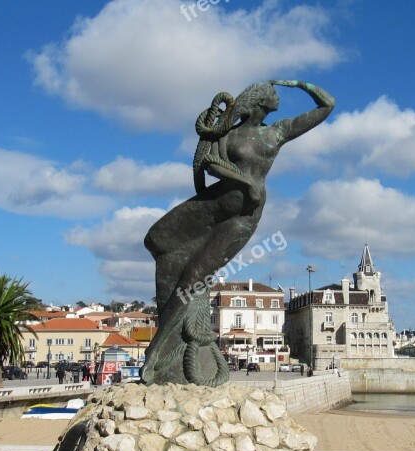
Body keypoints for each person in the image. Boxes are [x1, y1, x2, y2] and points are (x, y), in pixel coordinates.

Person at [142, 80, 334, 387]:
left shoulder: (277, 133)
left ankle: (157, 354)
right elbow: (208, 164)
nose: (278, 98)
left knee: (193, 278)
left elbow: (327, 106)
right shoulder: (227, 134)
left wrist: (300, 83)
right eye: (273, 94)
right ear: (259, 102)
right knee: (157, 237)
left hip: (243, 215)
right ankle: (169, 338)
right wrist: (245, 182)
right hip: (217, 202)